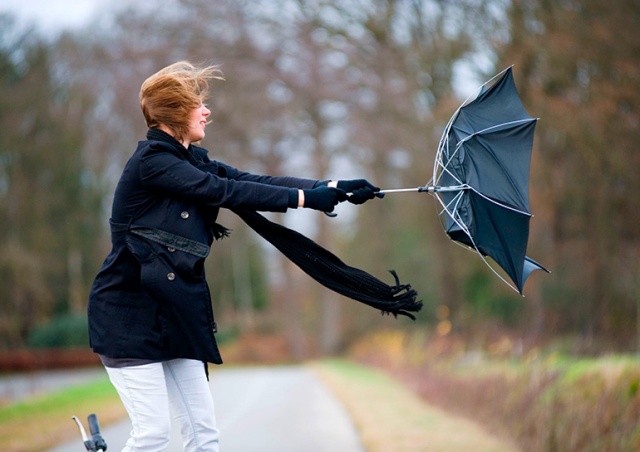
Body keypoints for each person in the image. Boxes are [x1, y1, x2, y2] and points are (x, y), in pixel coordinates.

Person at [87, 61, 381, 451]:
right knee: (153, 434)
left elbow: (249, 181)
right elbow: (222, 192)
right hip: (129, 317)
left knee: (204, 435)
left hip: (175, 315)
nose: (206, 111)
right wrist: (307, 198)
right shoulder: (153, 164)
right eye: (197, 105)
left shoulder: (191, 160)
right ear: (176, 112)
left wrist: (330, 186)